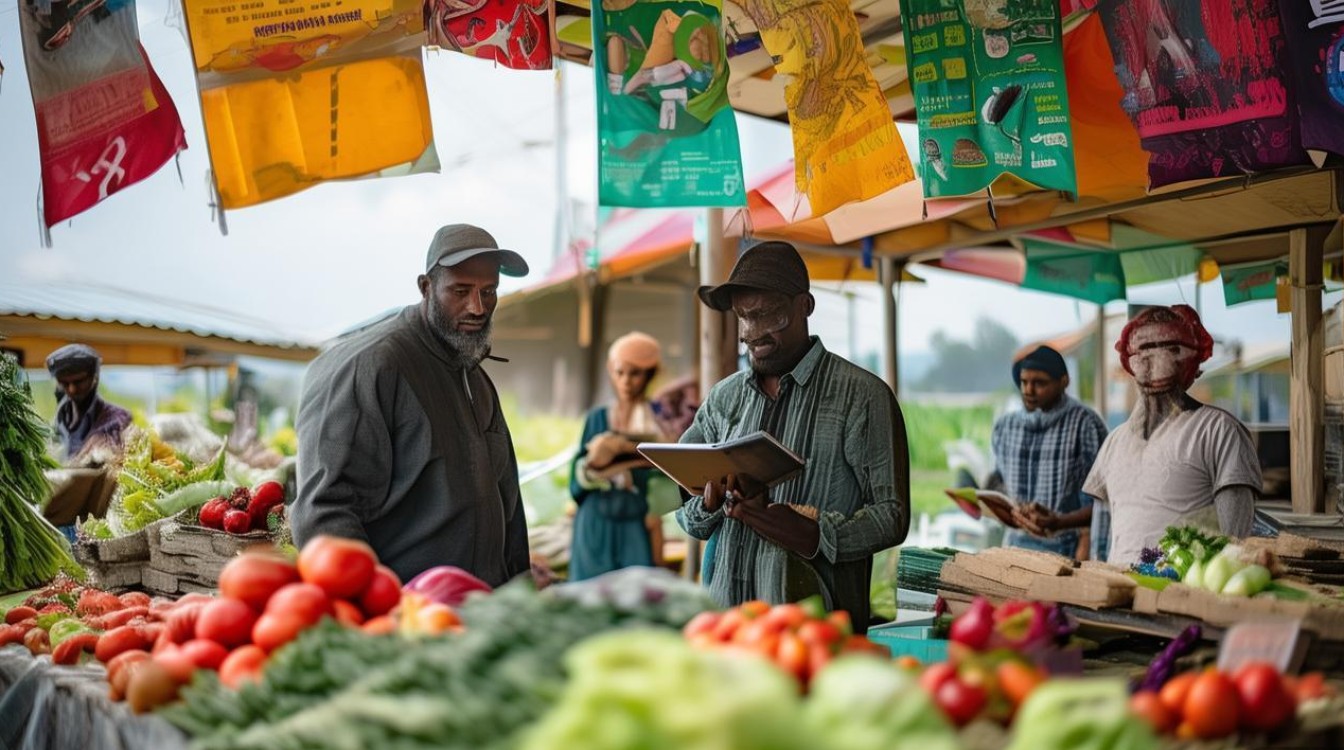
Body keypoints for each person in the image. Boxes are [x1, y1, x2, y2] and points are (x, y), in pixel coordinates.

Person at [675, 241, 911, 631]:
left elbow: (891, 515)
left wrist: (814, 535)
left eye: (768, 316)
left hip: (815, 633)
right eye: (743, 317)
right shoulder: (724, 397)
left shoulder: (862, 396)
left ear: (805, 305)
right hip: (726, 623)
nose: (752, 334)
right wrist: (708, 503)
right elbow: (689, 512)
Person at [291, 224, 532, 587]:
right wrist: (377, 612)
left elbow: (506, 502)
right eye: (461, 291)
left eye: (489, 291)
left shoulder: (474, 378)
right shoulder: (371, 367)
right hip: (411, 620)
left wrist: (520, 589)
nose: (478, 307)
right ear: (426, 287)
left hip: (482, 616)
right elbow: (324, 513)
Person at [1083, 305, 1262, 565]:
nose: (1152, 358)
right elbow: (1102, 535)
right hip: (1119, 594)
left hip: (1184, 597)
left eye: (1170, 348)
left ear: (1191, 361)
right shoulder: (1114, 442)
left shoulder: (1219, 431)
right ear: (1129, 359)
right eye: (1143, 348)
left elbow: (1235, 546)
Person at [569, 332, 681, 579]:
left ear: (650, 374)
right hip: (595, 521)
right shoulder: (597, 418)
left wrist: (654, 511)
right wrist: (595, 467)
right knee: (589, 599)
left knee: (636, 598)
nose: (626, 382)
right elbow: (577, 477)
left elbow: (673, 478)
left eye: (635, 373)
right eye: (620, 372)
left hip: (637, 523)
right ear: (611, 371)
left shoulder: (660, 421)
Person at [989, 345, 1108, 560]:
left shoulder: (1085, 424)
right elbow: (998, 481)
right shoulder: (1006, 426)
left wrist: (1065, 530)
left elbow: (1100, 500)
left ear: (1064, 382)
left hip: (1065, 549)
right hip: (1014, 546)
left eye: (1039, 383)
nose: (1028, 390)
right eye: (1024, 382)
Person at [45, 343, 132, 463]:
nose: (72, 389)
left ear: (94, 378)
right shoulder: (60, 417)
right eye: (64, 383)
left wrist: (108, 446)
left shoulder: (117, 417)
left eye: (79, 381)